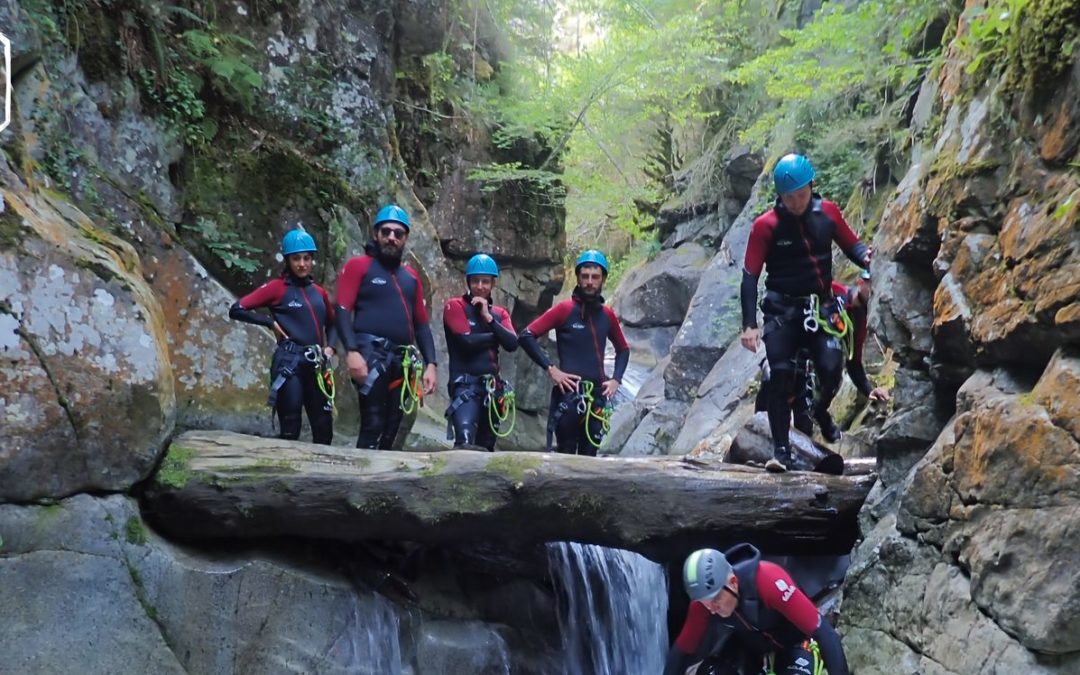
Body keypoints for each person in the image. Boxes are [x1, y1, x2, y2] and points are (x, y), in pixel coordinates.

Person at [739, 153, 871, 472]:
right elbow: (750, 276)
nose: (796, 202)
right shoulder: (765, 226)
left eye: (801, 194)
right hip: (782, 310)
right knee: (781, 375)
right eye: (789, 197)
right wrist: (749, 325)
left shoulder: (827, 214)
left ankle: (822, 412)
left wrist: (869, 266)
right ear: (779, 197)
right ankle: (781, 451)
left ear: (811, 186)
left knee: (830, 369)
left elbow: (855, 248)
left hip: (821, 305)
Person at [334, 204, 438, 449]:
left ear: (405, 238)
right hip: (371, 354)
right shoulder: (359, 266)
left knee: (393, 427)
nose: (392, 237)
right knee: (373, 422)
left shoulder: (411, 277)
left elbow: (421, 325)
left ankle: (382, 485)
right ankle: (360, 484)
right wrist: (351, 351)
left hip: (401, 361)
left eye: (398, 233)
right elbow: (341, 310)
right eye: (386, 232)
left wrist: (431, 364)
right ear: (376, 234)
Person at [664, 545, 849, 675]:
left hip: (795, 644)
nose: (711, 608)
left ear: (733, 583)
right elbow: (683, 649)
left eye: (716, 600)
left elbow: (825, 633)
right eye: (705, 603)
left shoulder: (769, 581)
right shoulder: (704, 601)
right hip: (751, 647)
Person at [229, 229, 337, 444]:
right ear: (287, 260)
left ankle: (320, 476)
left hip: (316, 363)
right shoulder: (277, 288)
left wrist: (330, 348)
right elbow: (237, 309)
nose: (302, 264)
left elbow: (333, 324)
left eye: (307, 258)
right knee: (290, 427)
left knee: (324, 428)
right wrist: (270, 323)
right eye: (296, 259)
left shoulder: (319, 292)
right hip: (290, 363)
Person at [754, 269, 890, 439]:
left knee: (804, 424)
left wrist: (869, 389)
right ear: (860, 283)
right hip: (790, 351)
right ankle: (756, 435)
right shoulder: (833, 290)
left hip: (812, 375)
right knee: (771, 381)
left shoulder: (859, 321)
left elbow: (853, 362)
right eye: (871, 284)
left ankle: (814, 422)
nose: (874, 290)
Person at [518, 249, 630, 456]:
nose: (589, 282)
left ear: (603, 279)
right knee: (565, 455)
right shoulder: (565, 309)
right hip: (569, 397)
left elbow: (623, 350)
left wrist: (616, 380)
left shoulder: (607, 314)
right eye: (585, 276)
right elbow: (526, 336)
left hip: (597, 397)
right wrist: (551, 369)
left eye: (595, 277)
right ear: (578, 278)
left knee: (590, 457)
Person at [442, 253, 519, 450]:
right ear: (468, 281)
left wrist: (488, 318)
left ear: (493, 283)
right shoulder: (455, 306)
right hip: (465, 386)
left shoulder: (499, 314)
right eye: (475, 281)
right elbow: (466, 341)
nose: (480, 286)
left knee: (487, 446)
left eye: (485, 281)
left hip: (492, 389)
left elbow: (512, 343)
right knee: (465, 444)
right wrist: (497, 336)